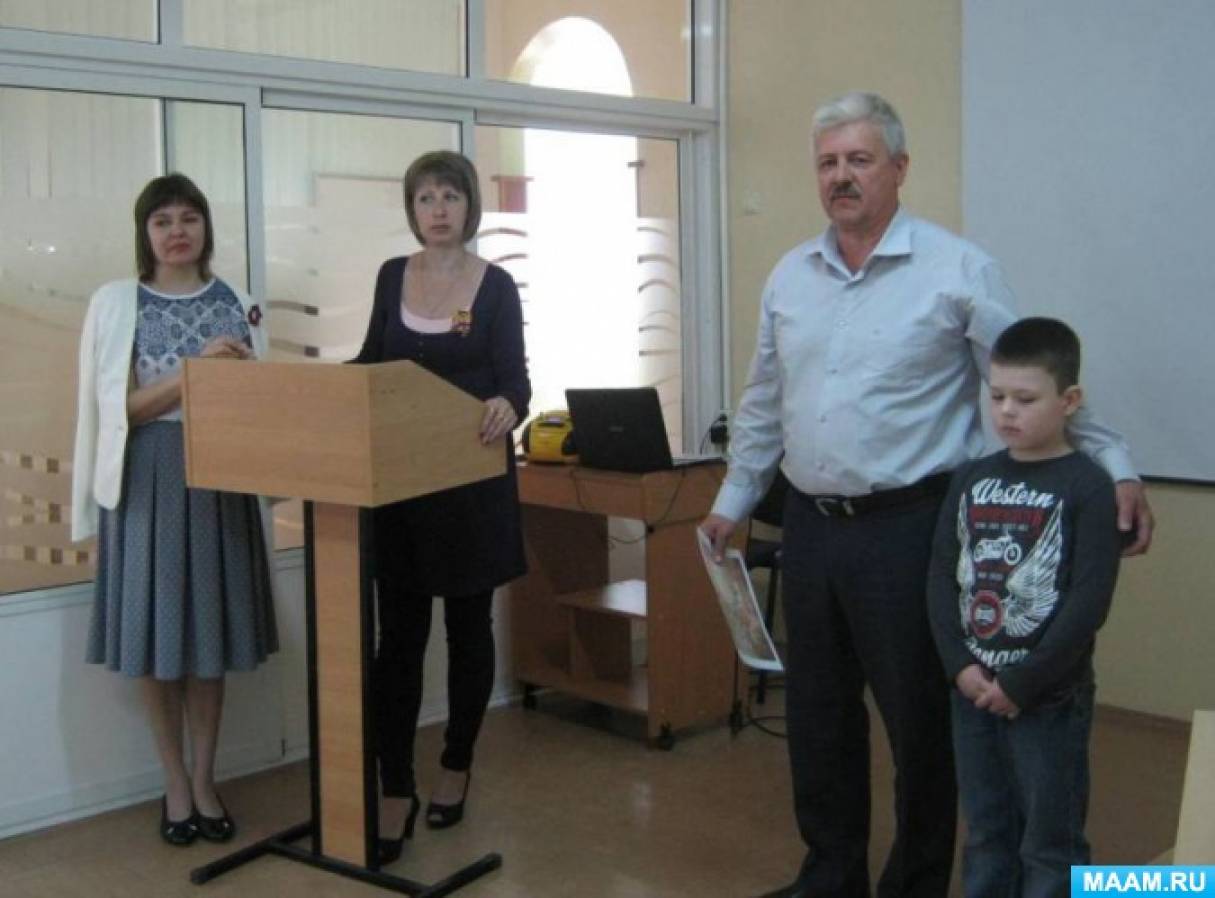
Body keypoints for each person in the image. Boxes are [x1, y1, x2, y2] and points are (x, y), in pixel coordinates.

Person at [700, 92, 1154, 898]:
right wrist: (732, 500)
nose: (840, 176)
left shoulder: (955, 269)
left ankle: (913, 883)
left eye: (859, 159)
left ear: (899, 168)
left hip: (911, 525)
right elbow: (764, 401)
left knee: (919, 722)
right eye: (827, 162)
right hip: (810, 524)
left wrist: (1114, 464)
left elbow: (1032, 378)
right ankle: (830, 875)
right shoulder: (790, 276)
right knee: (818, 715)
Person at [71, 173, 278, 847]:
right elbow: (119, 411)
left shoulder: (238, 302)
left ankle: (207, 779)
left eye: (189, 217)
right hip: (148, 478)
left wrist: (239, 383)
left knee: (207, 642)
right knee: (156, 638)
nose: (177, 231)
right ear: (145, 233)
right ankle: (175, 784)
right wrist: (195, 371)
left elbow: (262, 404)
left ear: (206, 228)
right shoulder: (116, 302)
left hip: (221, 480)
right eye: (162, 221)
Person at [351, 150, 531, 864]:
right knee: (397, 642)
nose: (437, 210)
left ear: (469, 207)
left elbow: (516, 381)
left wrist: (507, 403)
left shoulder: (496, 286)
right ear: (412, 210)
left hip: (470, 488)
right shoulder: (391, 276)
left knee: (466, 631)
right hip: (401, 490)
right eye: (425, 198)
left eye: (449, 197)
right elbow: (370, 364)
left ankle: (456, 764)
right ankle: (395, 784)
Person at [928, 317, 1120, 898]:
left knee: (1049, 842)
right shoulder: (970, 479)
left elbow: (1088, 601)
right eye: (997, 396)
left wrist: (1023, 681)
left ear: (1070, 401)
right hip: (973, 691)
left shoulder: (1088, 485)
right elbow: (942, 578)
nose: (1007, 411)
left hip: (1048, 698)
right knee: (987, 830)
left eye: (1026, 399)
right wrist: (960, 666)